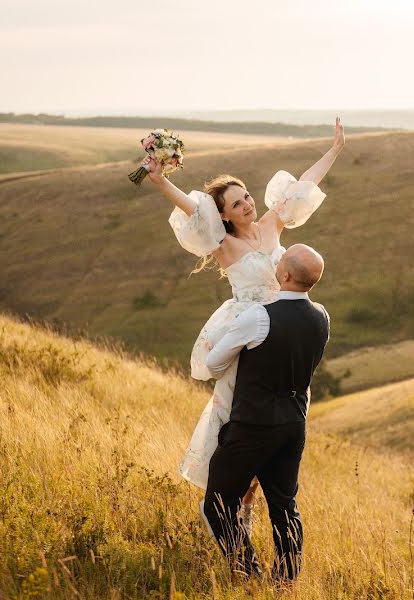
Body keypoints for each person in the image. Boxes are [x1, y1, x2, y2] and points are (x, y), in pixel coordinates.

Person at [141, 118, 344, 531]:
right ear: (224, 216)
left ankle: (246, 507)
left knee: (279, 415)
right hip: (248, 331)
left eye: (247, 196)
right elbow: (190, 207)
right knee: (241, 420)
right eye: (237, 203)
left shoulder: (273, 224)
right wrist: (160, 181)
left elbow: (303, 184)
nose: (248, 204)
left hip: (284, 330)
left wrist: (335, 149)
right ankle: (223, 503)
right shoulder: (224, 244)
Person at [200, 244, 330, 581]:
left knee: (217, 503)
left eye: (281, 262)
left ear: (285, 275)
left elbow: (213, 366)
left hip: (253, 426)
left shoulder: (260, 316)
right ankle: (285, 582)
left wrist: (217, 348)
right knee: (285, 506)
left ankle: (249, 574)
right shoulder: (321, 317)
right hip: (294, 425)